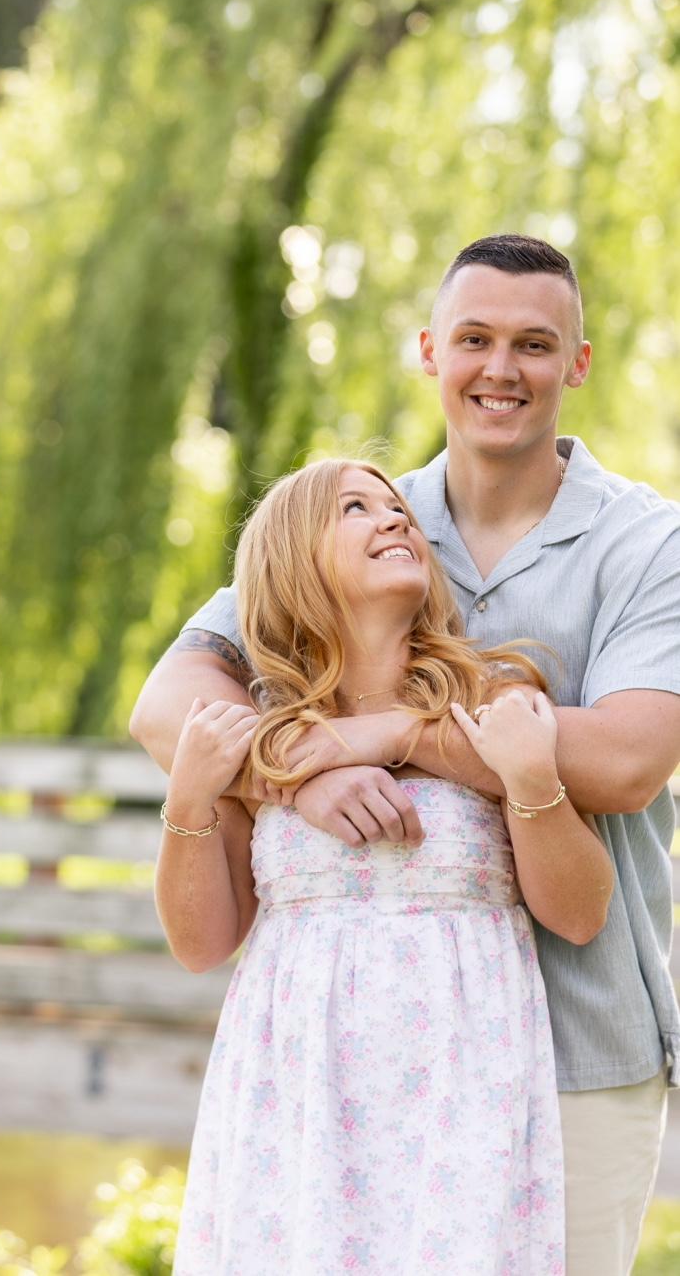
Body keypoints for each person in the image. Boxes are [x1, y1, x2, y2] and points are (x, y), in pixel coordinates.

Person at [132, 234, 680, 1275]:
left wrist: (403, 732)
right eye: (473, 339)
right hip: (329, 1069)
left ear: (576, 362)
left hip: (578, 1041)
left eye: (533, 344)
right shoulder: (360, 515)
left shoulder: (650, 544)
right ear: (430, 351)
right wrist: (309, 770)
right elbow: (168, 704)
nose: (499, 368)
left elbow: (621, 766)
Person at [158, 458, 612, 1273]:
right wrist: (190, 797)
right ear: (292, 559)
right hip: (294, 1090)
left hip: (462, 1089)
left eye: (398, 507)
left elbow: (579, 915)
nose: (396, 518)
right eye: (355, 509)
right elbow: (201, 945)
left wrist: (531, 780)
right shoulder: (264, 732)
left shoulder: (490, 701)